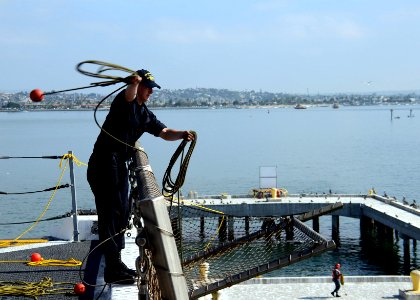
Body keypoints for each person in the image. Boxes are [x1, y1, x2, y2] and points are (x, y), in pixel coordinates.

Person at [87, 69, 195, 284]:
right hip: (104, 164)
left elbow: (164, 133)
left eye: (152, 89)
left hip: (118, 166)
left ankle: (116, 263)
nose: (150, 92)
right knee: (111, 214)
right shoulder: (124, 102)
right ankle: (112, 268)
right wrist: (134, 81)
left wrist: (182, 134)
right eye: (147, 88)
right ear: (138, 87)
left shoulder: (144, 113)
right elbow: (129, 93)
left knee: (122, 213)